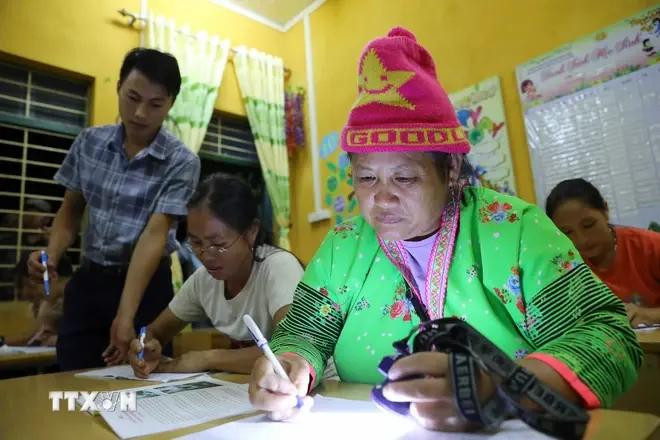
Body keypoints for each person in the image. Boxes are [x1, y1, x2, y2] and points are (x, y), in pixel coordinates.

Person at [248, 28, 642, 432]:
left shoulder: (515, 230)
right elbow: (303, 334)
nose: (381, 200)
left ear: (451, 169)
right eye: (366, 178)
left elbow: (609, 336)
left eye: (404, 178)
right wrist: (288, 366)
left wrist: (499, 386)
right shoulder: (344, 245)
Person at [27, 48, 201, 370]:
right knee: (73, 377)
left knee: (140, 381)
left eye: (155, 105)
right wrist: (51, 255)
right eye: (132, 97)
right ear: (118, 86)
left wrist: (126, 315)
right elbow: (70, 211)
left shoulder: (182, 162)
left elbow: (155, 233)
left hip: (147, 289)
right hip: (90, 281)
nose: (139, 113)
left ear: (170, 105)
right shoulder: (89, 142)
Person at [128, 174, 303, 376]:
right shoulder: (204, 280)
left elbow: (291, 350)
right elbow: (155, 332)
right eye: (195, 243)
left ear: (251, 232)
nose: (206, 255)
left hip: (316, 390)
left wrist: (207, 358)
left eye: (218, 245)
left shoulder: (279, 267)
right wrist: (144, 347)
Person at [546, 178, 660, 327]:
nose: (582, 240)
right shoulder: (566, 266)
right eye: (567, 232)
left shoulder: (650, 246)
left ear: (605, 210)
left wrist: (647, 315)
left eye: (589, 225)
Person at [5, 253, 72, 347]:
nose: (25, 294)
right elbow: (31, 336)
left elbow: (30, 338)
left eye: (30, 286)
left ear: (53, 277)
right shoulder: (46, 305)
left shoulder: (80, 302)